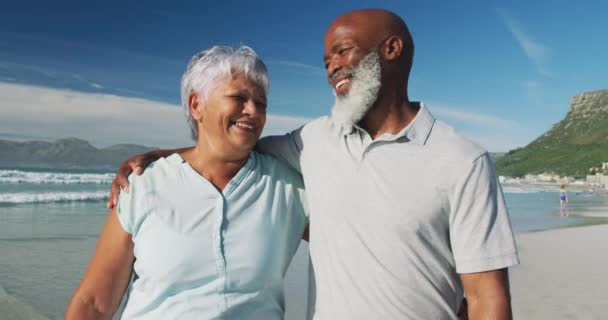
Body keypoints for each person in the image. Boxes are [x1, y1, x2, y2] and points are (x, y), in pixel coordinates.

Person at [108, 9, 519, 319]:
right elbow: (230, 146)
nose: (333, 68)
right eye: (326, 61)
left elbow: (486, 297)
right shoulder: (315, 140)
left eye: (343, 51)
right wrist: (162, 157)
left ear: (391, 49)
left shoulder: (462, 160)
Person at [66, 46, 308, 319]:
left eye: (261, 103)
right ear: (196, 105)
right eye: (238, 98)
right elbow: (94, 302)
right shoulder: (144, 185)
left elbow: (350, 241)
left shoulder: (290, 188)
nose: (252, 110)